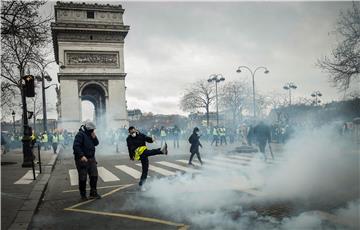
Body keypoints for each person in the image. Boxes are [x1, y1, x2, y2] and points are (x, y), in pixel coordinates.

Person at [73, 120, 101, 200]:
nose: (93, 131)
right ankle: (83, 194)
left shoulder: (90, 134)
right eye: (92, 130)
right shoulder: (80, 135)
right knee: (83, 177)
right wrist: (81, 156)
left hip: (91, 158)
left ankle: (93, 193)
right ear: (87, 129)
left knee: (94, 176)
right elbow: (76, 146)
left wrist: (94, 137)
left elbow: (96, 143)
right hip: (82, 160)